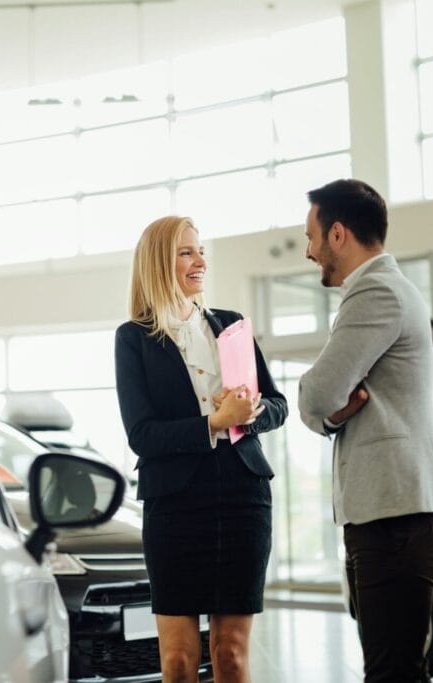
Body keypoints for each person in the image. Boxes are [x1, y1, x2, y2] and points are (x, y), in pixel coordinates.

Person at [297, 179, 433, 682]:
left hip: (397, 517)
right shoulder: (389, 288)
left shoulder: (375, 292)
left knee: (392, 673)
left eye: (311, 237)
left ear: (338, 234)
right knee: (397, 668)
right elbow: (331, 405)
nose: (308, 251)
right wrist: (334, 415)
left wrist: (325, 409)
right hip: (395, 515)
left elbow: (315, 395)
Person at [115, 216, 287, 683]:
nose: (200, 261)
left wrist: (249, 413)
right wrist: (213, 422)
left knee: (230, 654)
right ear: (158, 263)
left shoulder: (231, 327)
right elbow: (142, 434)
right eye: (186, 252)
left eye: (201, 251)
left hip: (243, 497)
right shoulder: (133, 338)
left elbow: (277, 405)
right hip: (174, 505)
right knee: (177, 660)